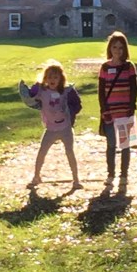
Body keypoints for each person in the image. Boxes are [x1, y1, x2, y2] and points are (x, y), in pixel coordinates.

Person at [24, 60, 82, 190]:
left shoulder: (66, 91)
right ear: (45, 78)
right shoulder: (42, 91)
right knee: (42, 152)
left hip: (66, 128)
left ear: (61, 79)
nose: (52, 80)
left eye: (55, 77)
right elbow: (31, 94)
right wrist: (36, 85)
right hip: (50, 129)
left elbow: (77, 104)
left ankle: (76, 179)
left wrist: (71, 111)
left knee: (70, 152)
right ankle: (36, 176)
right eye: (49, 77)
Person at [98, 31, 137, 187]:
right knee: (111, 145)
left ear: (125, 49)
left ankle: (124, 174)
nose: (117, 51)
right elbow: (101, 91)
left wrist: (132, 106)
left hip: (125, 111)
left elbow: (134, 88)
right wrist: (104, 109)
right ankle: (110, 174)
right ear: (110, 48)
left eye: (121, 48)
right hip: (110, 111)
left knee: (125, 145)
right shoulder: (104, 67)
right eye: (115, 47)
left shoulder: (129, 67)